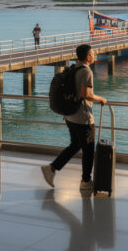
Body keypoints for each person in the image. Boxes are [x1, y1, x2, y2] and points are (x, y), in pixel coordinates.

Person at [41, 44, 107, 192]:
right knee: (88, 151)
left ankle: (51, 169)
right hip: (83, 118)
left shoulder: (74, 68)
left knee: (75, 145)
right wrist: (101, 99)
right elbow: (86, 94)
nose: (95, 54)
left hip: (70, 116)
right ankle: (86, 181)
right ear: (88, 56)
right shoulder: (87, 71)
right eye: (93, 53)